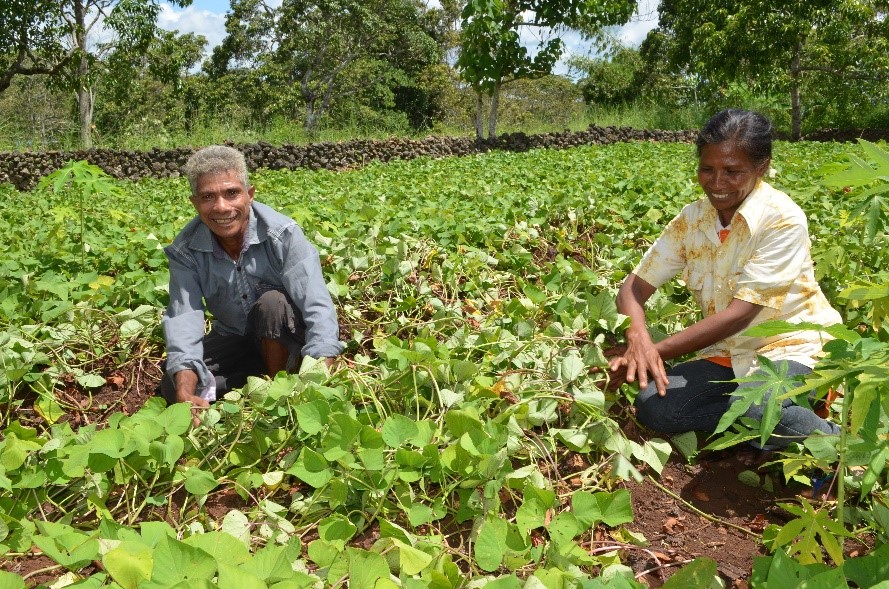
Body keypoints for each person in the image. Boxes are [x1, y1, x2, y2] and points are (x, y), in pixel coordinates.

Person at [605, 109, 841, 451]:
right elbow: (633, 288)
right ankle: (770, 417)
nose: (717, 183)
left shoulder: (782, 220)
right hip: (729, 354)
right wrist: (637, 337)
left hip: (794, 347)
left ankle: (837, 441)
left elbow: (739, 316)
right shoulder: (693, 219)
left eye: (732, 172)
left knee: (761, 409)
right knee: (655, 405)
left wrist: (652, 351)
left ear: (761, 168)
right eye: (707, 169)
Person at [159, 145, 344, 421]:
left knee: (272, 303)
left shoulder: (282, 235)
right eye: (208, 197)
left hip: (287, 336)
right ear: (195, 204)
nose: (222, 207)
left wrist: (318, 376)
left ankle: (276, 392)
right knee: (173, 384)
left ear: (250, 195)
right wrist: (186, 390)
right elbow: (184, 318)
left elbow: (317, 307)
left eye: (231, 193)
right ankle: (253, 379)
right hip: (235, 337)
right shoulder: (186, 251)